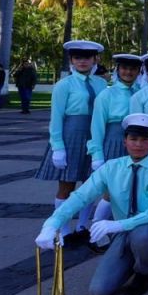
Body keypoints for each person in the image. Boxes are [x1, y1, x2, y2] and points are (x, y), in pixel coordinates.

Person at [35, 113, 148, 295]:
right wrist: (52, 224)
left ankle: (144, 271)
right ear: (124, 141)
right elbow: (81, 197)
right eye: (133, 139)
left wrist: (118, 225)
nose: (138, 144)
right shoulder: (111, 167)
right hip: (123, 231)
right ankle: (136, 258)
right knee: (99, 290)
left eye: (145, 140)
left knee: (143, 236)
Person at [35, 40, 107, 238]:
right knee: (67, 185)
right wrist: (57, 147)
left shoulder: (101, 83)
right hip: (71, 135)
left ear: (95, 59)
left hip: (95, 134)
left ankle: (83, 226)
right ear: (71, 60)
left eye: (87, 57)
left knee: (91, 185)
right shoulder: (64, 85)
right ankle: (64, 230)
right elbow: (56, 117)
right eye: (77, 57)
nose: (82, 61)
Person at [89, 53, 143, 170]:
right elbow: (97, 126)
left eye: (133, 69)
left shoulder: (142, 92)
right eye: (124, 68)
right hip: (114, 142)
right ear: (117, 70)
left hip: (138, 143)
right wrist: (97, 155)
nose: (128, 72)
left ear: (139, 71)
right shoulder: (107, 94)